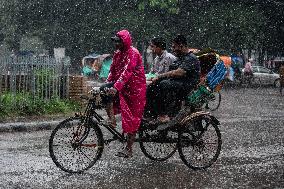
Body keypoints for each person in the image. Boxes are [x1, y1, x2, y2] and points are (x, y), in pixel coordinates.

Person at [100, 29, 146, 158]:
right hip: (123, 87)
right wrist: (108, 83)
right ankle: (112, 119)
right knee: (103, 90)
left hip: (135, 90)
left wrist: (115, 87)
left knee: (132, 120)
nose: (115, 44)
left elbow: (127, 71)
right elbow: (112, 71)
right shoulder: (117, 54)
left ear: (124, 42)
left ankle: (129, 149)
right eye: (114, 41)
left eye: (118, 42)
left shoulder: (133, 53)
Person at [151, 34, 200, 123]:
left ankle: (164, 114)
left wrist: (160, 76)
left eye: (174, 47)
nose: (172, 49)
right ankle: (154, 113)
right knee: (153, 85)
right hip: (178, 83)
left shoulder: (191, 58)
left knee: (163, 84)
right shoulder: (179, 58)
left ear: (181, 46)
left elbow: (178, 72)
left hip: (188, 85)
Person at [145, 37, 176, 117]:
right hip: (157, 80)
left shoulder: (169, 57)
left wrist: (154, 78)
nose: (152, 49)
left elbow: (167, 74)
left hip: (167, 82)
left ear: (159, 47)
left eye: (153, 46)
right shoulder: (156, 59)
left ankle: (159, 113)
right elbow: (152, 72)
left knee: (150, 89)